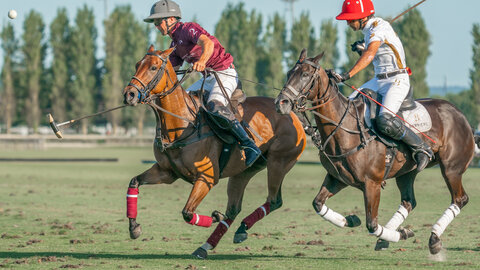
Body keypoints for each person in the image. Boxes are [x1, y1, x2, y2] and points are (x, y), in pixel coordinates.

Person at [144, 0, 261, 167]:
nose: (156, 26)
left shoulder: (187, 29)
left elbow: (208, 43)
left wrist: (202, 61)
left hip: (224, 72)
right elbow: (170, 72)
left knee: (214, 105)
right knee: (186, 102)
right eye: (155, 23)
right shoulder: (174, 44)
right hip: (207, 78)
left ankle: (249, 145)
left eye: (158, 22)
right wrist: (149, 91)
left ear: (171, 19)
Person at [331, 0, 433, 172]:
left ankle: (422, 148)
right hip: (379, 80)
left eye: (351, 19)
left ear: (363, 17)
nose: (348, 23)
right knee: (346, 108)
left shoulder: (379, 27)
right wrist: (360, 48)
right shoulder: (369, 30)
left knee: (385, 119)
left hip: (397, 80)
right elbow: (376, 53)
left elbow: (370, 54)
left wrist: (346, 75)